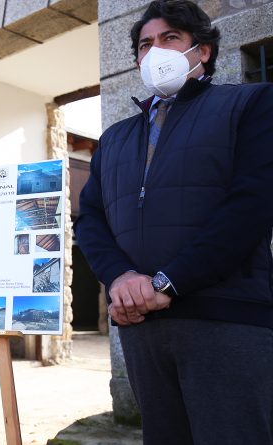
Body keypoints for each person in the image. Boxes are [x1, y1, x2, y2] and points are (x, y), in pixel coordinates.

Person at [75, 1, 273, 443]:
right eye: (145, 44)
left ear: (201, 51)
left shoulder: (251, 103)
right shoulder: (114, 139)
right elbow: (90, 219)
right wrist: (121, 278)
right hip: (142, 325)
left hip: (226, 318)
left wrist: (167, 282)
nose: (154, 51)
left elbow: (252, 205)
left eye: (169, 39)